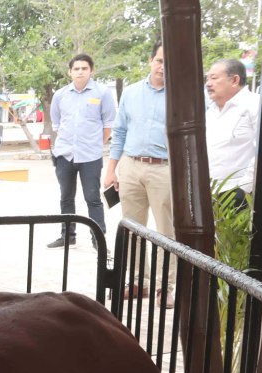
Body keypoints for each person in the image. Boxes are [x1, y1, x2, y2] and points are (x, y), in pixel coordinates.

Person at [105, 41, 172, 305]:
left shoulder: (182, 94)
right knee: (132, 228)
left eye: (169, 62)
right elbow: (119, 131)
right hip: (131, 166)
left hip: (165, 168)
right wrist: (111, 169)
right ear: (150, 60)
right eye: (159, 61)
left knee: (167, 230)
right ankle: (137, 282)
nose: (163, 67)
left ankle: (165, 286)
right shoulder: (131, 93)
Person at [47, 53, 115, 247]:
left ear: (91, 71)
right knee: (66, 197)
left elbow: (108, 124)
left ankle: (98, 238)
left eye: (84, 68)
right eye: (76, 68)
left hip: (90, 156)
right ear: (70, 72)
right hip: (65, 155)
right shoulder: (60, 95)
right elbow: (57, 124)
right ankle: (67, 235)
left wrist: (95, 144)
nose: (80, 72)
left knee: (92, 198)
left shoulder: (102, 93)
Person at [205, 58, 258, 207]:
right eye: (207, 78)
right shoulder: (211, 110)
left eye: (214, 78)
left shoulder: (255, 105)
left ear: (235, 80)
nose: (208, 83)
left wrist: (245, 188)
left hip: (239, 192)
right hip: (210, 190)